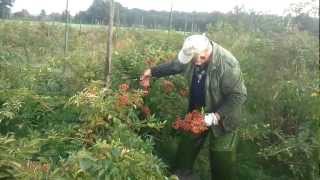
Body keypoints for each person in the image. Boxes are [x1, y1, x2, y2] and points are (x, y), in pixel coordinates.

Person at [140, 34, 247, 180]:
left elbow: (238, 96)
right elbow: (175, 65)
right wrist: (152, 72)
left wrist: (215, 117)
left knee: (222, 158)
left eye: (200, 59)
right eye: (193, 59)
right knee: (185, 151)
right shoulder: (192, 54)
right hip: (197, 112)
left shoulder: (228, 64)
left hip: (224, 117)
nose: (196, 63)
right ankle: (180, 176)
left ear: (206, 52)